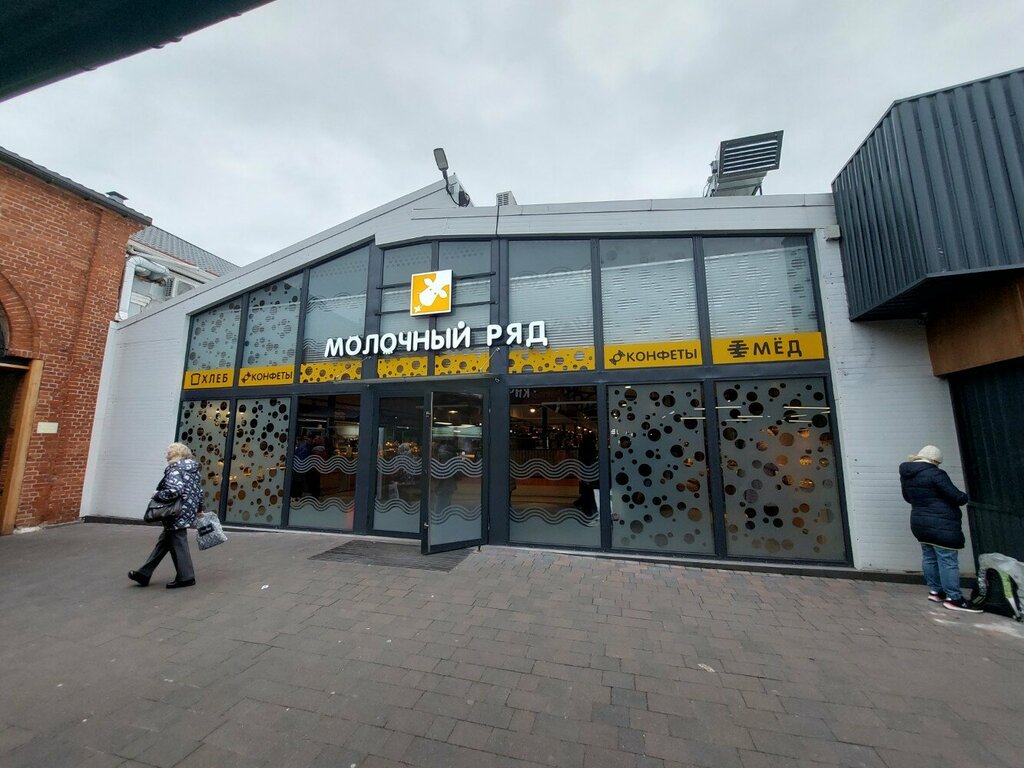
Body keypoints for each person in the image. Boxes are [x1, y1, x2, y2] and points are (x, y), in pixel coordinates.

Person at [899, 445, 981, 612]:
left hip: (919, 522)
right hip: (941, 523)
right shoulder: (935, 474)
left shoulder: (907, 475)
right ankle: (954, 598)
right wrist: (964, 497)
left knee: (929, 557)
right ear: (935, 461)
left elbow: (908, 498)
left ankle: (935, 591)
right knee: (947, 560)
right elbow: (956, 496)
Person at [129, 442, 203, 589]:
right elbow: (199, 491)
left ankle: (186, 577)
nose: (166, 455)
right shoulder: (193, 469)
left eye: (169, 452)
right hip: (187, 510)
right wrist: (199, 508)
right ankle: (144, 574)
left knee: (178, 541)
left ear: (175, 454)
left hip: (176, 511)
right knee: (165, 541)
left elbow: (174, 490)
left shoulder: (175, 469)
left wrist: (157, 494)